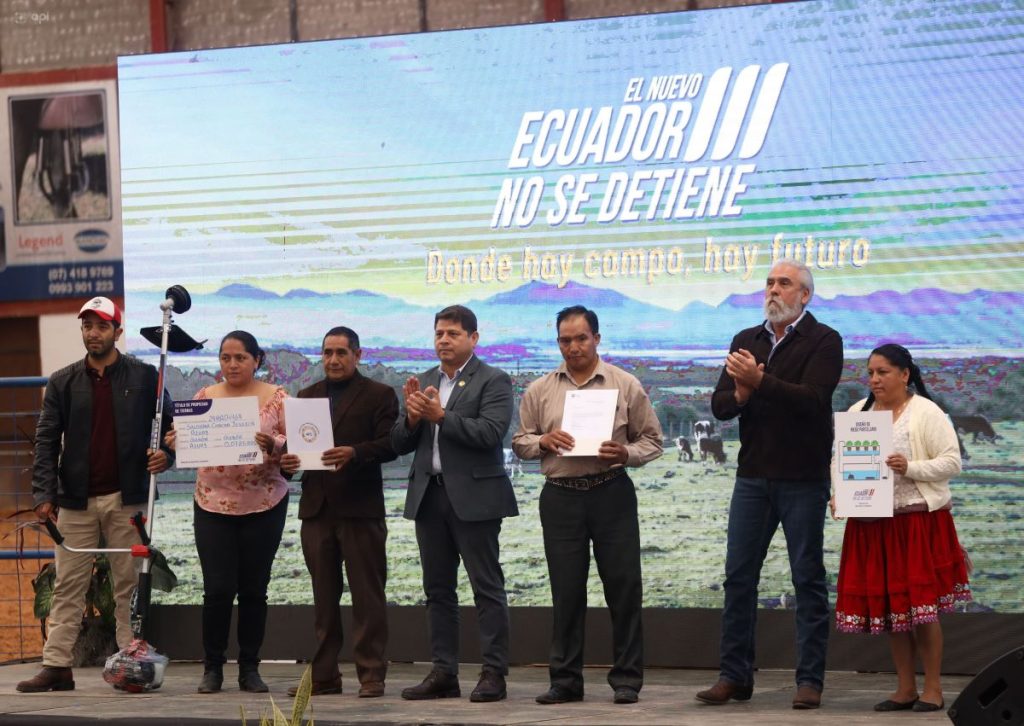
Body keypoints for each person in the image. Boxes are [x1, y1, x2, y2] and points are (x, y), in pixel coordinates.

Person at [696, 259, 843, 710]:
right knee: (739, 578)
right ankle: (734, 676)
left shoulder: (825, 340)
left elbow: (813, 401)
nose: (773, 290)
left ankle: (809, 680)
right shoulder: (747, 340)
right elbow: (721, 406)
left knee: (807, 578)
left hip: (803, 478)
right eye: (769, 283)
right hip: (752, 477)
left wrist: (760, 381)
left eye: (784, 283)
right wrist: (741, 393)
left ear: (805, 295)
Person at [17, 297, 173, 693]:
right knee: (68, 585)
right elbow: (47, 439)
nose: (93, 333)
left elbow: (173, 427)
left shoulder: (144, 377)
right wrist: (43, 493)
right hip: (75, 500)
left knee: (127, 587)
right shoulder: (62, 381)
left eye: (101, 326)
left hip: (128, 498)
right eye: (87, 326)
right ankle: (57, 666)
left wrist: (166, 455)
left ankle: (131, 664)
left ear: (117, 332)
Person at [512, 305, 663, 705]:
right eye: (565, 340)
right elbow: (520, 441)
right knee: (566, 592)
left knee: (624, 588)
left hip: (611, 489)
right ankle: (565, 681)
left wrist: (625, 453)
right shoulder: (540, 389)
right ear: (557, 342)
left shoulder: (625, 384)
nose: (574, 347)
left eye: (581, 338)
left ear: (597, 338)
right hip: (561, 496)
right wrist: (543, 442)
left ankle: (627, 679)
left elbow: (652, 441)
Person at [831, 344, 970, 713]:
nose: (874, 379)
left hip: (916, 524)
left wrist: (910, 467)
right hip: (872, 525)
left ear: (905, 374)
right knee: (894, 610)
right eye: (871, 373)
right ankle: (905, 687)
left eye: (883, 372)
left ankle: (934, 688)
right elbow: (839, 461)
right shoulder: (858, 413)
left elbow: (951, 462)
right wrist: (839, 495)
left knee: (922, 609)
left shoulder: (926, 412)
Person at [390, 305, 518, 703]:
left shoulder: (494, 380)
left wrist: (441, 416)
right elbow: (398, 443)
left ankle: (493, 673)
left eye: (453, 334)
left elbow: (490, 434)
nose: (443, 340)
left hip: (475, 499)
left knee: (487, 589)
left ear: (473, 338)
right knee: (438, 591)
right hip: (430, 498)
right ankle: (444, 672)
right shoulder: (424, 380)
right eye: (439, 333)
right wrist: (412, 419)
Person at [167, 331, 289, 694]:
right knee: (217, 589)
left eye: (240, 358)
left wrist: (275, 443)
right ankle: (212, 667)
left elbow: (298, 446)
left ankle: (249, 668)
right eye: (225, 358)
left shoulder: (277, 398)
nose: (232, 365)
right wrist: (178, 442)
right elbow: (189, 443)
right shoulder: (204, 397)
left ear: (257, 360)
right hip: (212, 503)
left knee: (255, 589)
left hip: (264, 503)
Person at [280, 327, 399, 698]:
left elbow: (391, 445)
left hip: (360, 510)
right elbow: (299, 456)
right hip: (316, 510)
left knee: (367, 596)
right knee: (323, 599)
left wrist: (354, 453)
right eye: (327, 353)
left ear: (358, 355)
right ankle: (325, 676)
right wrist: (288, 461)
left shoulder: (380, 395)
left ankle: (371, 675)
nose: (333, 360)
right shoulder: (306, 397)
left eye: (341, 353)